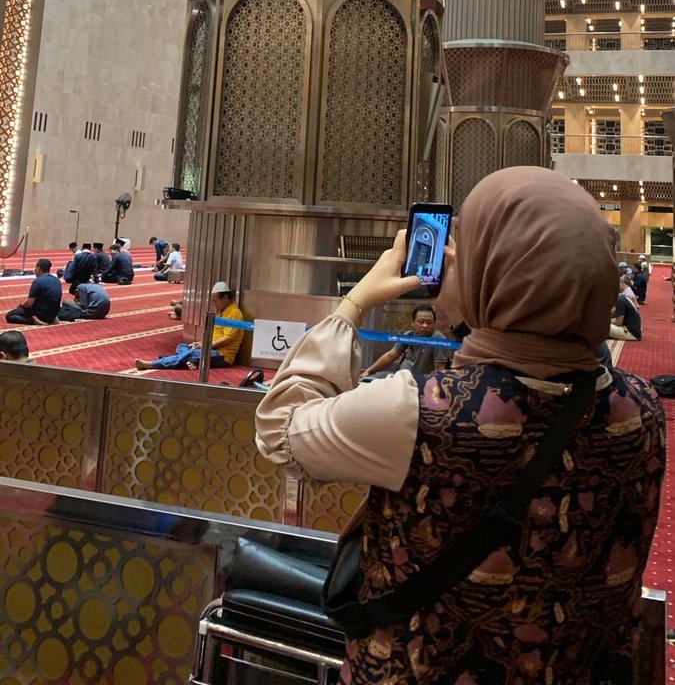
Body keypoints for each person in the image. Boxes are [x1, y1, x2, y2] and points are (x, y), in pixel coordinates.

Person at [255, 167, 665, 685]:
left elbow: (279, 427)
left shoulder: (418, 411)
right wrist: (471, 310)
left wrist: (355, 303)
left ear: (492, 271)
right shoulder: (644, 409)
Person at [135, 282, 244, 372]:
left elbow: (227, 339)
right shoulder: (223, 311)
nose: (214, 304)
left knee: (190, 352)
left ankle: (152, 364)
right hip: (211, 349)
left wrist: (204, 347)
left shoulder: (234, 313)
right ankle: (191, 360)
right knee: (183, 347)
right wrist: (200, 343)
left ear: (225, 298)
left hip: (222, 355)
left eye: (216, 301)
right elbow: (215, 335)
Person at [360, 304, 446, 379]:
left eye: (429, 322)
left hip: (420, 383)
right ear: (413, 323)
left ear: (434, 324)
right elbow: (390, 356)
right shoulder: (408, 335)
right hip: (400, 378)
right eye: (421, 322)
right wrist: (369, 371)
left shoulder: (439, 340)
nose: (424, 326)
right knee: (372, 380)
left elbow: (439, 371)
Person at [5, 259, 62, 326]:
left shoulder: (38, 281)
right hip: (53, 314)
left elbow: (29, 303)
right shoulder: (57, 280)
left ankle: (33, 321)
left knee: (10, 315)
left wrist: (21, 305)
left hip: (41, 314)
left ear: (38, 269)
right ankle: (52, 318)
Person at [609, 277, 642, 341]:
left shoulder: (621, 300)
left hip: (631, 333)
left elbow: (618, 323)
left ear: (621, 284)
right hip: (634, 330)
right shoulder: (625, 296)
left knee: (603, 327)